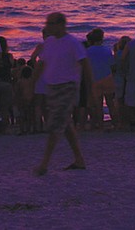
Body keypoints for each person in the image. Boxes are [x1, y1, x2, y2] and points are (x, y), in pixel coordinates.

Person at [32, 12, 91, 176]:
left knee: (55, 125)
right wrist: (32, 83)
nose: (47, 26)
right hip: (52, 87)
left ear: (60, 24)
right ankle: (79, 159)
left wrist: (90, 89)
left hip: (67, 87)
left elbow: (85, 65)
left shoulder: (72, 43)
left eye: (50, 23)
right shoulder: (49, 42)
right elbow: (41, 64)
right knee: (64, 124)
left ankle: (44, 164)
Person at [85, 28, 115, 130]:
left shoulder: (88, 51)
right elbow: (112, 64)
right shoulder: (107, 50)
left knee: (98, 105)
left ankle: (101, 125)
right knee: (110, 103)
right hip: (107, 77)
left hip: (95, 78)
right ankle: (115, 124)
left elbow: (86, 66)